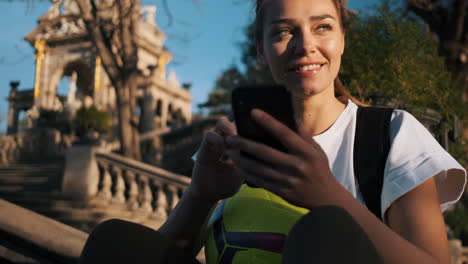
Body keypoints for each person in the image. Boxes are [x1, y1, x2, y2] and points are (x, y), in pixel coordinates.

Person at [79, 0, 466, 263]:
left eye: (323, 27)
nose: (305, 45)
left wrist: (328, 196)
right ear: (261, 51)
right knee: (114, 243)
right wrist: (201, 194)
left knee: (326, 231)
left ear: (343, 39)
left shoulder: (390, 134)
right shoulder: (233, 145)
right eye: (283, 32)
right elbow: (161, 254)